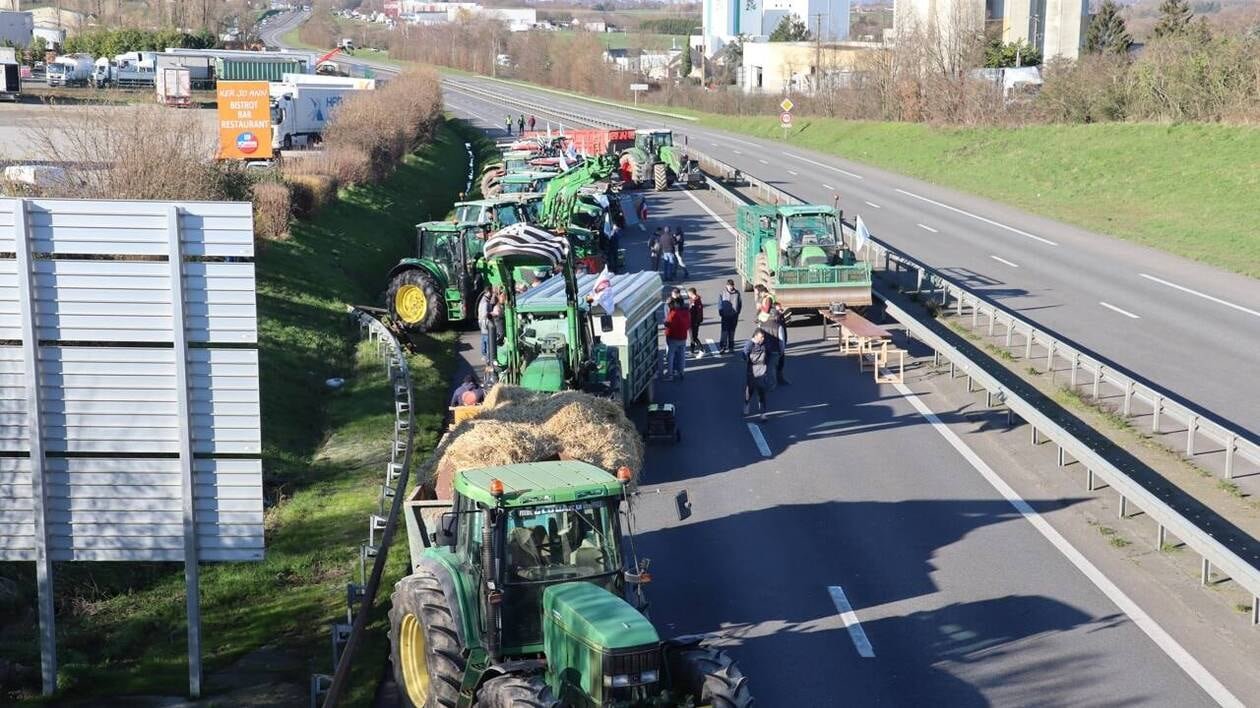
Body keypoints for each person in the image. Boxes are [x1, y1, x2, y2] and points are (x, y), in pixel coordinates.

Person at [741, 328, 778, 422]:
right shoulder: (750, 344)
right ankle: (746, 403)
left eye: (763, 337)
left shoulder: (764, 345)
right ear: (756, 336)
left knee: (762, 392)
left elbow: (769, 353)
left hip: (762, 371)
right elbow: (744, 353)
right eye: (761, 337)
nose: (762, 339)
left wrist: (768, 363)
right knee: (750, 390)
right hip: (752, 372)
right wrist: (746, 359)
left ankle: (763, 414)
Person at [663, 297, 690, 381]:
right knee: (682, 356)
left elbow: (669, 324)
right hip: (683, 337)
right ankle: (681, 372)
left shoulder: (674, 313)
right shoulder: (686, 312)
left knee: (670, 356)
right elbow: (688, 324)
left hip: (673, 337)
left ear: (677, 304)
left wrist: (665, 322)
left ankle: (670, 375)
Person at [717, 279, 742, 354]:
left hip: (734, 316)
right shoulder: (722, 293)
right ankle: (722, 347)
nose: (730, 287)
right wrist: (721, 312)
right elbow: (719, 304)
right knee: (724, 332)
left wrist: (737, 312)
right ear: (726, 286)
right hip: (725, 316)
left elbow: (740, 304)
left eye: (732, 285)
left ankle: (731, 347)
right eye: (729, 286)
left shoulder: (737, 293)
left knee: (732, 332)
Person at [687, 287, 705, 357]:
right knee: (691, 337)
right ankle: (692, 351)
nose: (688, 294)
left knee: (694, 337)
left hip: (695, 321)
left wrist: (697, 321)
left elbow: (699, 312)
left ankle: (702, 349)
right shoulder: (692, 300)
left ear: (691, 293)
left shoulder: (697, 301)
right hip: (690, 321)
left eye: (688, 293)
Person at [476, 287, 492, 365]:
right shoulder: (485, 302)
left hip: (481, 322)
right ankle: (487, 357)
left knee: (484, 339)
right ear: (488, 292)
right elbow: (485, 313)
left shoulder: (482, 300)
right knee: (487, 339)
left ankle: (484, 355)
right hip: (485, 323)